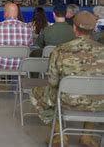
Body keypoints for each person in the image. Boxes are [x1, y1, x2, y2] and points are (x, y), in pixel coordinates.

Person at [30, 11, 104, 147]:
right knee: (96, 93)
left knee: (36, 93)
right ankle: (87, 136)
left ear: (74, 29)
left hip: (67, 100)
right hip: (100, 103)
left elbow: (52, 82)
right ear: (93, 30)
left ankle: (60, 135)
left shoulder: (60, 51)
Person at [0, 2, 33, 94]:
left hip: (1, 63)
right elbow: (29, 46)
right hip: (21, 64)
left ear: (6, 13)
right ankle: (15, 88)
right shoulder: (27, 27)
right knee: (18, 57)